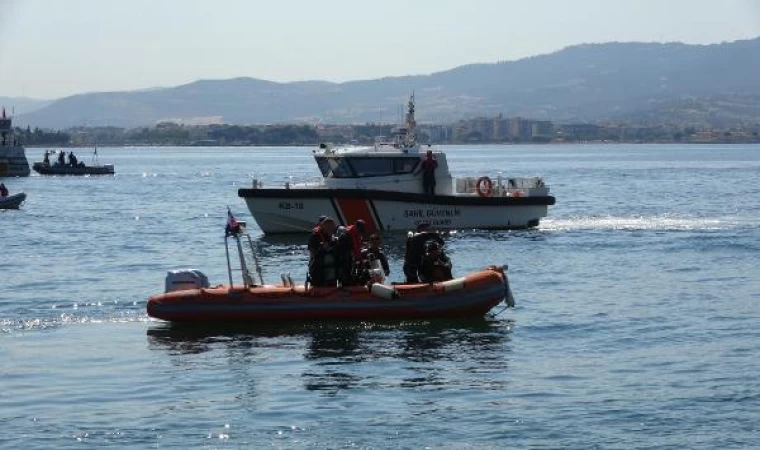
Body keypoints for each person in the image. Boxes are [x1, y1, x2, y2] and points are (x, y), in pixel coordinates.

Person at [307, 217, 338, 287]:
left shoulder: (331, 236)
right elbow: (312, 253)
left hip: (329, 265)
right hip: (318, 264)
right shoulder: (315, 236)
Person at [336, 219, 367, 286]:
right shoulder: (345, 236)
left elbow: (358, 249)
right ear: (356, 227)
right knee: (348, 263)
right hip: (344, 261)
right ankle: (345, 283)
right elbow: (343, 252)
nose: (360, 232)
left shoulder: (358, 236)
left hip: (353, 260)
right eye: (360, 230)